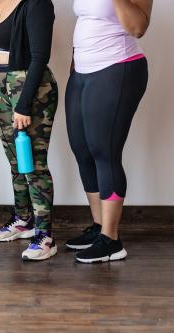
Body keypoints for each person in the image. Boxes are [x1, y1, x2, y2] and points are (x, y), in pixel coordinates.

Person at [65, 0, 152, 263]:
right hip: (82, 71)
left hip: (118, 67)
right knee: (82, 149)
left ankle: (111, 240)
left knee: (104, 151)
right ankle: (98, 226)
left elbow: (137, 27)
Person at [0, 0, 58, 261]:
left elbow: (39, 57)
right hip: (1, 85)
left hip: (29, 90)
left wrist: (24, 105)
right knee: (16, 161)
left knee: (33, 164)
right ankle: (23, 220)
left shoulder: (37, 4)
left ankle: (45, 236)